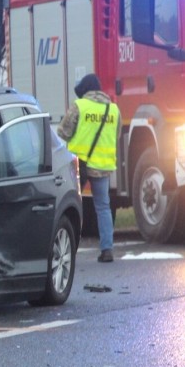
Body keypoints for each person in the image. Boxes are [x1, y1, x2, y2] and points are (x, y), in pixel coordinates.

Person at [57, 73, 121, 263]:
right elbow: (116, 135)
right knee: (103, 207)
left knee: (71, 206)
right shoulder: (114, 109)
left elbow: (63, 131)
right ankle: (107, 249)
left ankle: (70, 249)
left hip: (80, 166)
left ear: (85, 90)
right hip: (102, 166)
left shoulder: (80, 106)